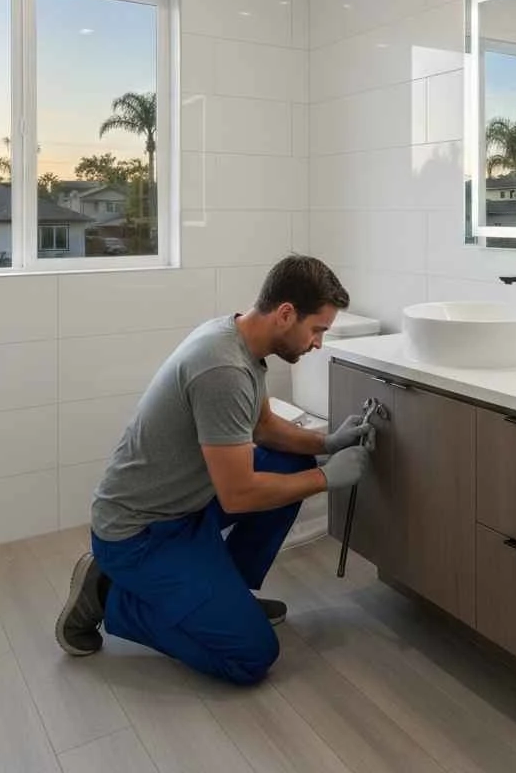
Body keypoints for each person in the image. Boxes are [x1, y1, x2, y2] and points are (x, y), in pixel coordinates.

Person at [54, 254, 374, 685]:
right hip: (139, 535)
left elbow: (263, 427)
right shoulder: (223, 368)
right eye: (316, 329)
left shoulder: (238, 336)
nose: (317, 343)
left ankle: (224, 598)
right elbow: (238, 495)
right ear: (285, 314)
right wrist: (325, 478)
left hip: (184, 509)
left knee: (290, 461)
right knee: (251, 655)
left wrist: (327, 442)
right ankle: (106, 594)